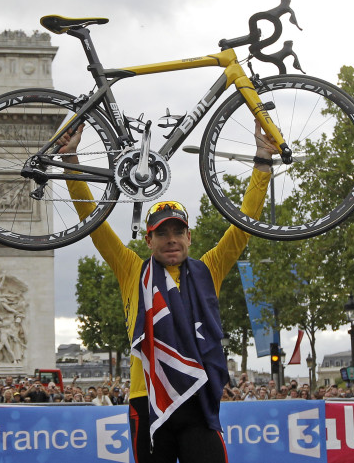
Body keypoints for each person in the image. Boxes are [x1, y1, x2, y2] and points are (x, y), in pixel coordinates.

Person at [60, 121, 275, 463]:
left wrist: (262, 163)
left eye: (178, 231)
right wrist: (70, 162)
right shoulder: (131, 269)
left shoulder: (209, 269)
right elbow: (94, 223)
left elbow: (243, 226)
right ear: (148, 240)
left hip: (196, 395)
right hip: (146, 400)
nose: (171, 239)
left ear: (189, 237)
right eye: (162, 233)